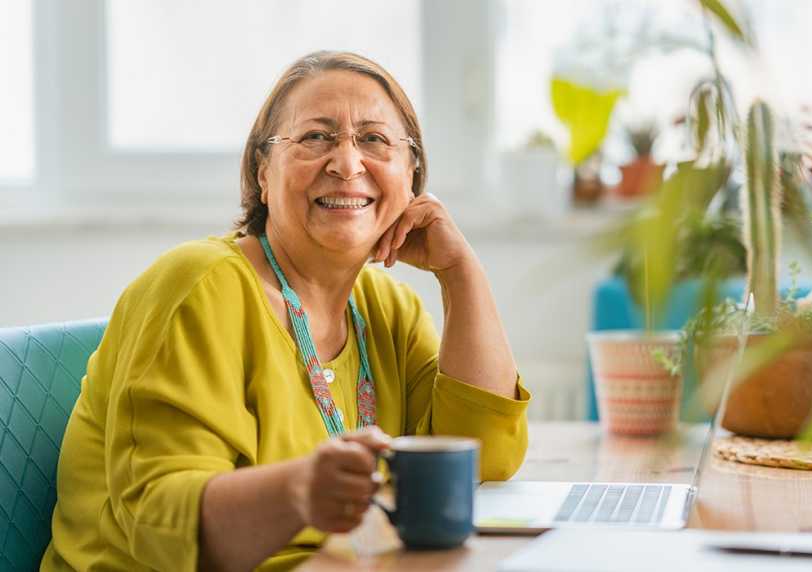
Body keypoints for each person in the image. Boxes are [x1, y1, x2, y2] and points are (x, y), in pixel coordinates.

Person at [41, 51, 530, 572]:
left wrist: (461, 271)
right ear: (263, 174)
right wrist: (299, 491)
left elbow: (480, 460)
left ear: (411, 177)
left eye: (374, 139)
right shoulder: (199, 286)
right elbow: (162, 528)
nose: (347, 164)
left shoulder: (387, 309)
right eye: (315, 137)